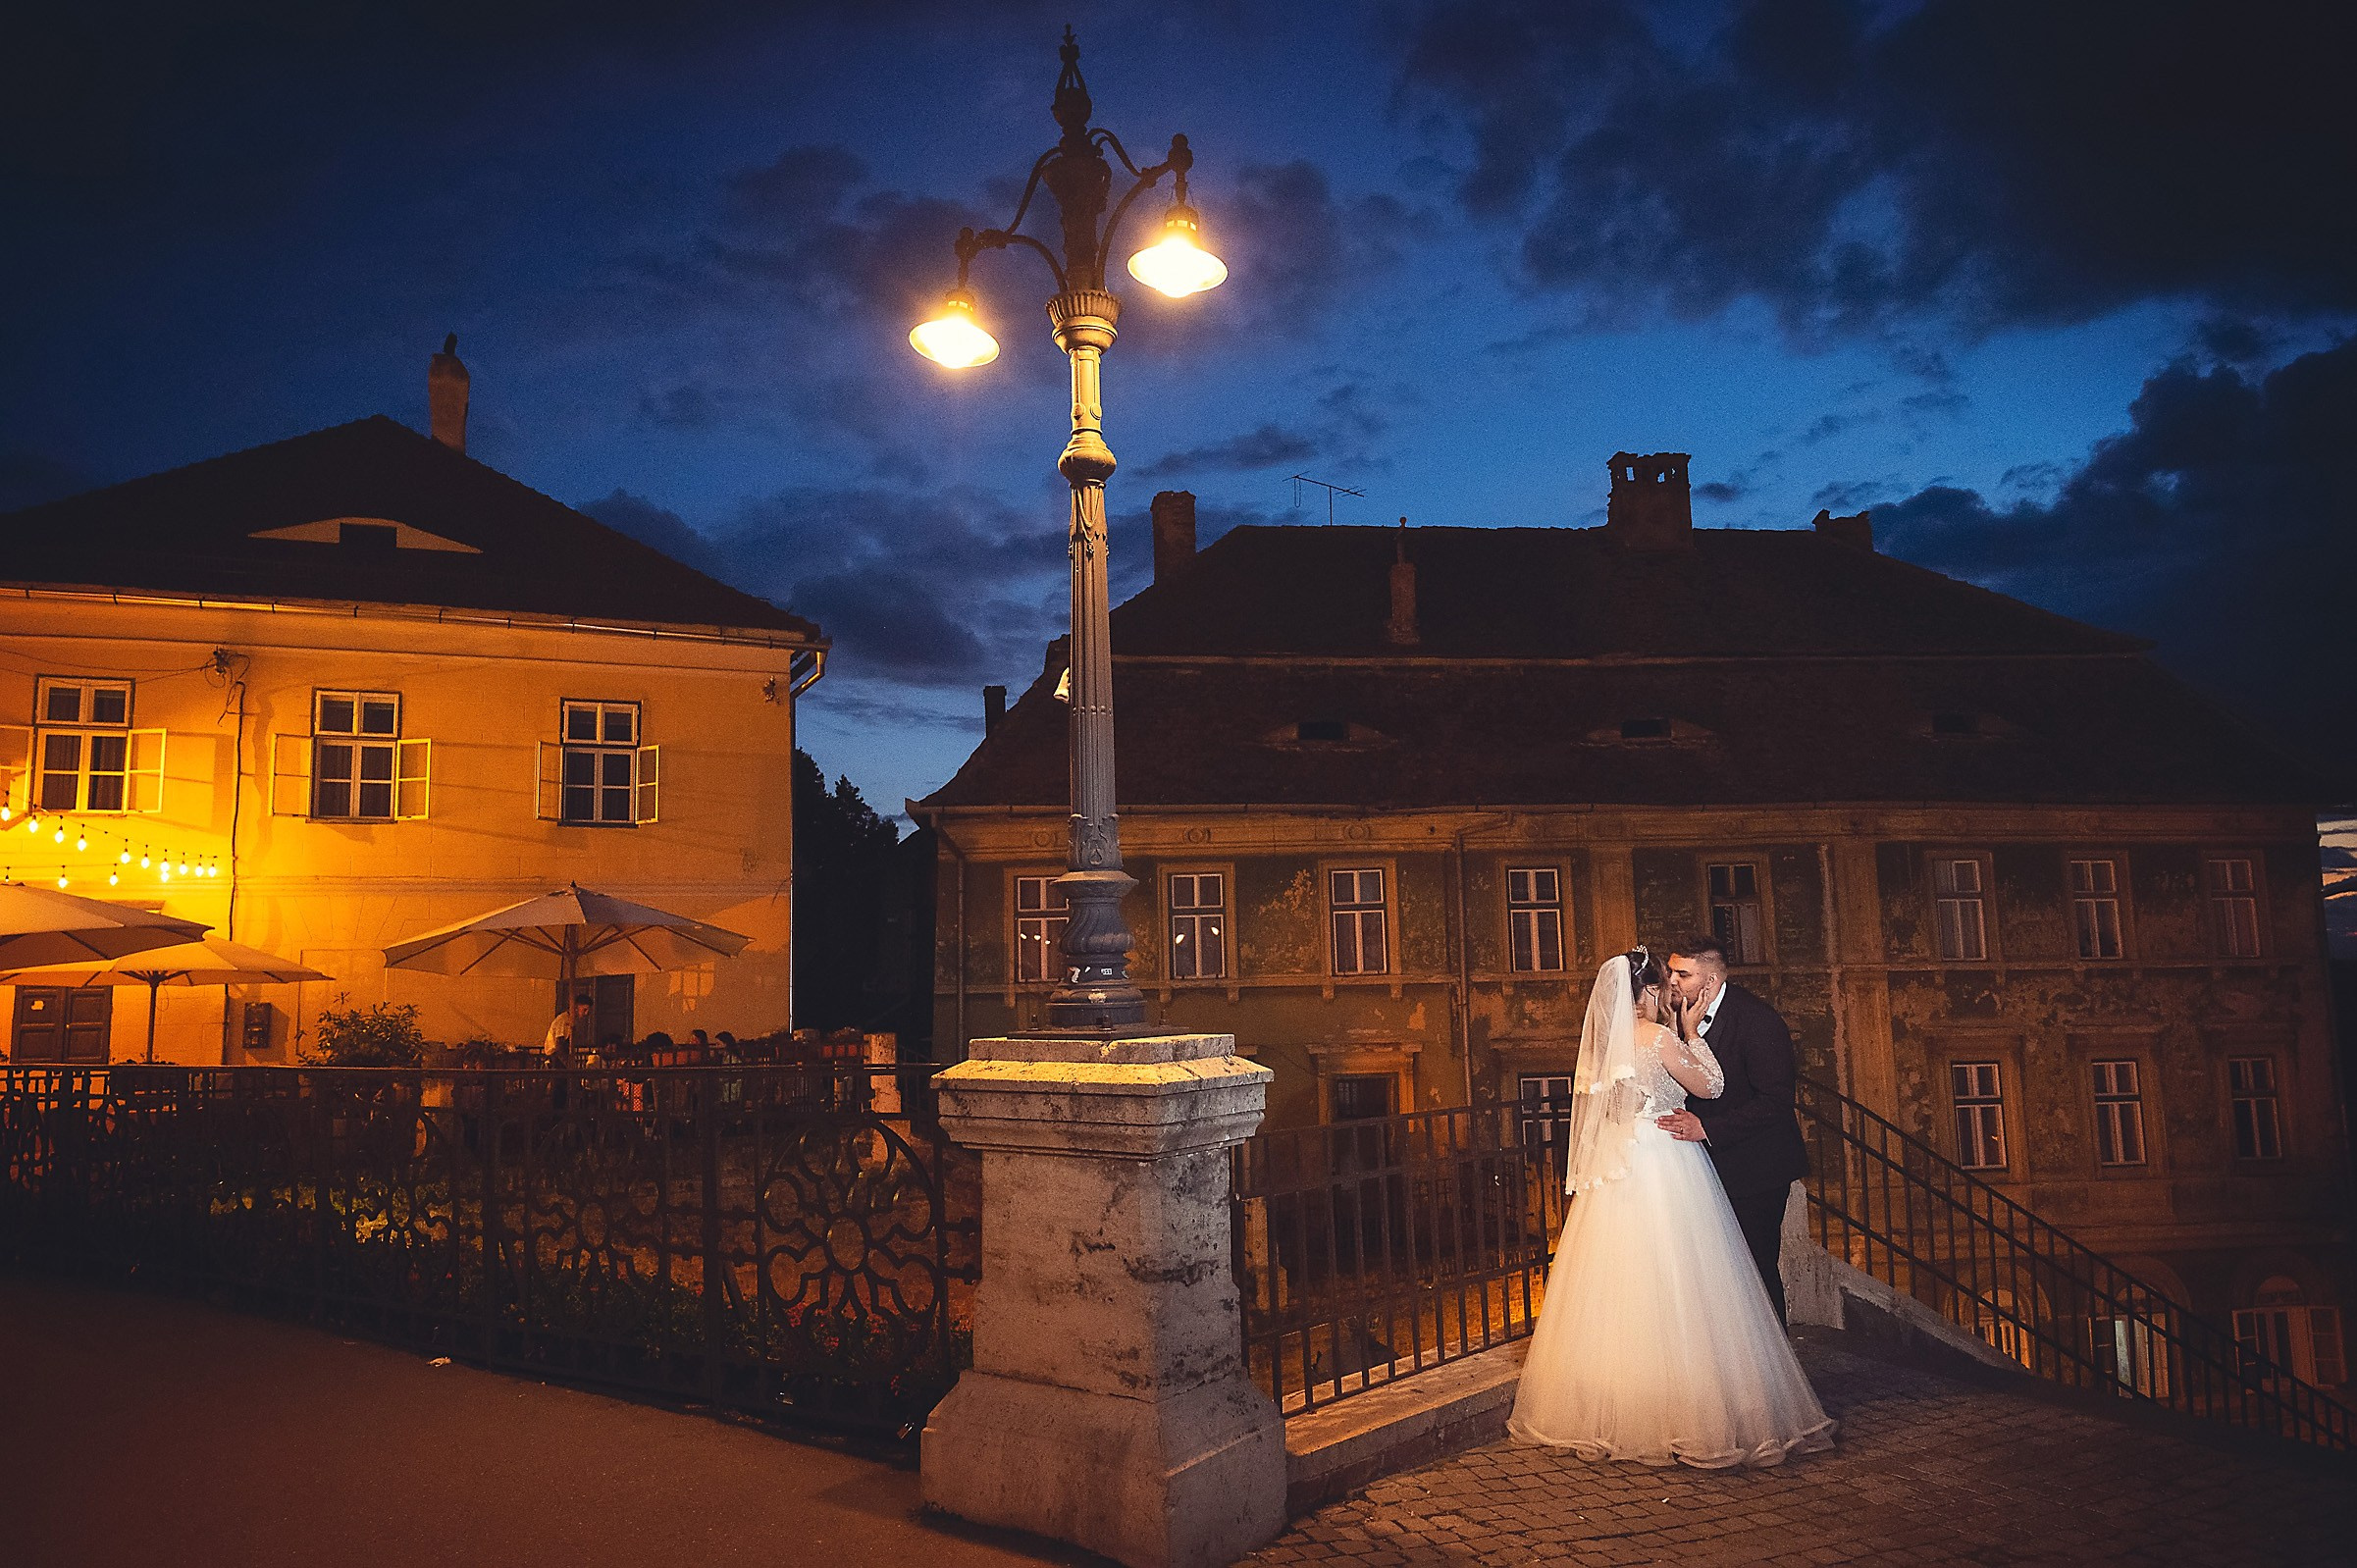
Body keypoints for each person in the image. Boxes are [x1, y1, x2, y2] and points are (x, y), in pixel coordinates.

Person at [1508, 948, 1834, 1467]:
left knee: (1630, 1280)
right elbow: (1713, 1083)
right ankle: (1706, 1400)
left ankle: (1620, 1403)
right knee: (1692, 1279)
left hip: (1623, 1167)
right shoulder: (1659, 1037)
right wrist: (1689, 1033)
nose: (1677, 989)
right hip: (1667, 1160)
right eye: (1670, 981)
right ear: (1654, 992)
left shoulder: (1606, 1047)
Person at [1655, 934, 1812, 1325]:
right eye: (1671, 971)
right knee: (1714, 1273)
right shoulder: (1672, 1017)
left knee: (1754, 1267)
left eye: (1682, 974)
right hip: (1703, 1168)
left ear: (1710, 982)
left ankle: (1773, 1366)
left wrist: (1707, 1128)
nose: (1671, 980)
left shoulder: (1757, 1020)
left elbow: (1775, 1102)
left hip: (1757, 1169)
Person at [544, 994, 593, 1062]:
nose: (586, 1013)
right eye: (584, 1010)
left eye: (588, 1011)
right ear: (576, 1007)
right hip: (555, 1056)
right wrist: (566, 1061)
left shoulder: (573, 1021)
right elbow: (559, 1043)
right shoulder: (563, 1019)